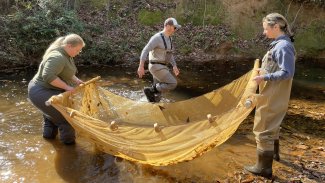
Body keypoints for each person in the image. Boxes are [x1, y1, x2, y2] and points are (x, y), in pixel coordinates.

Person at [244, 13, 296, 178]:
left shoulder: (283, 47)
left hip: (274, 93)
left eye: (266, 29)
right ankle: (273, 155)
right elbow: (277, 68)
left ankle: (263, 168)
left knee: (263, 127)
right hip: (274, 92)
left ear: (276, 27)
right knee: (272, 124)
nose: (264, 32)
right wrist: (265, 71)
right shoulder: (280, 44)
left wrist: (264, 77)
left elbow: (287, 72)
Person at [28, 33, 85, 145]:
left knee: (52, 118)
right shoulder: (57, 57)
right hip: (41, 91)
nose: (78, 53)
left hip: (50, 90)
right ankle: (70, 150)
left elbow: (67, 72)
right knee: (66, 119)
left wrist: (77, 80)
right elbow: (48, 76)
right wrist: (67, 87)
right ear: (69, 46)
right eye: (77, 50)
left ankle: (48, 141)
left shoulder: (67, 55)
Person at [137, 17, 181, 102]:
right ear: (168, 26)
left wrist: (174, 66)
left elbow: (169, 54)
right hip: (156, 67)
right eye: (174, 27)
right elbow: (145, 50)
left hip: (162, 67)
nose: (175, 29)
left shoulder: (170, 39)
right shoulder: (157, 38)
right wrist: (141, 66)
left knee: (157, 96)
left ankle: (149, 100)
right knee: (172, 83)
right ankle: (151, 90)